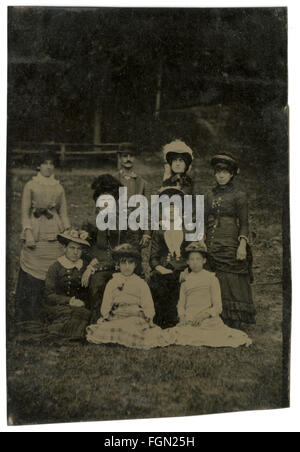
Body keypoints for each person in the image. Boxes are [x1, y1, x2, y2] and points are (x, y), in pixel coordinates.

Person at [15, 149, 70, 332]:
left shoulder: (58, 187)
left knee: (52, 270)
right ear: (38, 166)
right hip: (36, 230)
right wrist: (28, 232)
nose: (48, 167)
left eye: (51, 163)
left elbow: (63, 213)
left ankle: (52, 314)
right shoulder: (31, 186)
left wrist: (68, 233)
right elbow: (24, 214)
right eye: (44, 163)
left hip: (53, 230)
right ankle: (30, 317)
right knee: (32, 271)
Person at [165, 242, 252, 348]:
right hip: (190, 318)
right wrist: (182, 317)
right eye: (192, 259)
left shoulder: (211, 279)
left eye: (198, 259)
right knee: (178, 333)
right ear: (187, 262)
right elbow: (181, 304)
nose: (195, 262)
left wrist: (204, 315)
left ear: (204, 261)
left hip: (207, 319)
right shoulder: (186, 281)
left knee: (212, 333)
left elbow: (217, 306)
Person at [205, 153, 256, 329]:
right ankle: (218, 314)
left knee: (232, 277)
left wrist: (242, 245)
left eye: (225, 172)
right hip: (212, 241)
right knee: (216, 276)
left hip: (231, 241)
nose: (221, 175)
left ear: (232, 174)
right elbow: (204, 220)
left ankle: (235, 316)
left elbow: (244, 223)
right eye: (218, 171)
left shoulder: (239, 195)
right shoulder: (209, 194)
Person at [86, 244, 171, 349]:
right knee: (113, 327)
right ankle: (120, 335)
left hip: (134, 316)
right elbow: (106, 304)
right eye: (123, 263)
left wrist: (148, 317)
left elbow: (148, 305)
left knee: (133, 326)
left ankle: (127, 336)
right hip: (117, 316)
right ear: (118, 265)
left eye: (130, 263)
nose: (127, 267)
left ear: (135, 265)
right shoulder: (113, 282)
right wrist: (107, 316)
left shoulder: (140, 283)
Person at [81, 174, 126, 323]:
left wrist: (97, 266)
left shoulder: (123, 222)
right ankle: (96, 321)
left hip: (120, 265)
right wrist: (91, 261)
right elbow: (86, 248)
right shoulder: (91, 223)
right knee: (94, 282)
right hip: (97, 264)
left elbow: (125, 249)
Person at [149, 188, 189, 329]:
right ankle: (162, 320)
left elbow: (191, 253)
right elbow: (153, 256)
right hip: (163, 268)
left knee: (178, 282)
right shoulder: (159, 231)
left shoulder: (186, 229)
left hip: (182, 269)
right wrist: (159, 267)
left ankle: (177, 318)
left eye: (175, 208)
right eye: (168, 209)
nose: (171, 211)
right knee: (158, 281)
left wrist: (187, 269)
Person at [43, 229, 91, 342]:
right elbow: (49, 294)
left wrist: (90, 268)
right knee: (73, 314)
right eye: (72, 248)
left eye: (79, 249)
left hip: (79, 305)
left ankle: (72, 335)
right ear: (64, 248)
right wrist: (69, 301)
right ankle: (60, 334)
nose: (75, 252)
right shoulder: (56, 267)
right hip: (57, 305)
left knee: (85, 313)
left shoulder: (83, 266)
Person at [114, 142, 151, 250]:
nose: (128, 159)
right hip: (117, 227)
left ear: (135, 158)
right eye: (125, 156)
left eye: (131, 156)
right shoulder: (113, 180)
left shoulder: (142, 183)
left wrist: (146, 233)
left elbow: (147, 209)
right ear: (120, 158)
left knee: (134, 258)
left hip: (135, 227)